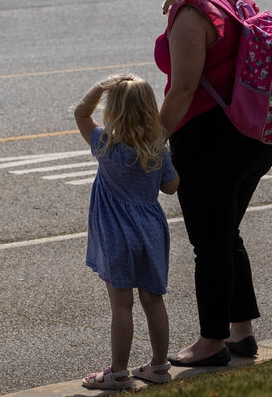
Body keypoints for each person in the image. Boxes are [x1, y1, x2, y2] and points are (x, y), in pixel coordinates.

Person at [155, 0, 272, 368]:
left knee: (209, 245)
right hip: (253, 138)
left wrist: (153, 142)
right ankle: (241, 332)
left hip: (210, 146)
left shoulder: (192, 17)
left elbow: (183, 90)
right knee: (226, 235)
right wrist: (182, 0)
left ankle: (211, 342)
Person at [74, 74, 180, 390]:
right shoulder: (157, 150)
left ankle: (119, 371)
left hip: (116, 235)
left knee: (122, 305)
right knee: (153, 300)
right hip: (150, 232)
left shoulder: (105, 144)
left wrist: (101, 86)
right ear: (150, 109)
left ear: (114, 111)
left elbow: (80, 113)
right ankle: (160, 366)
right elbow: (172, 187)